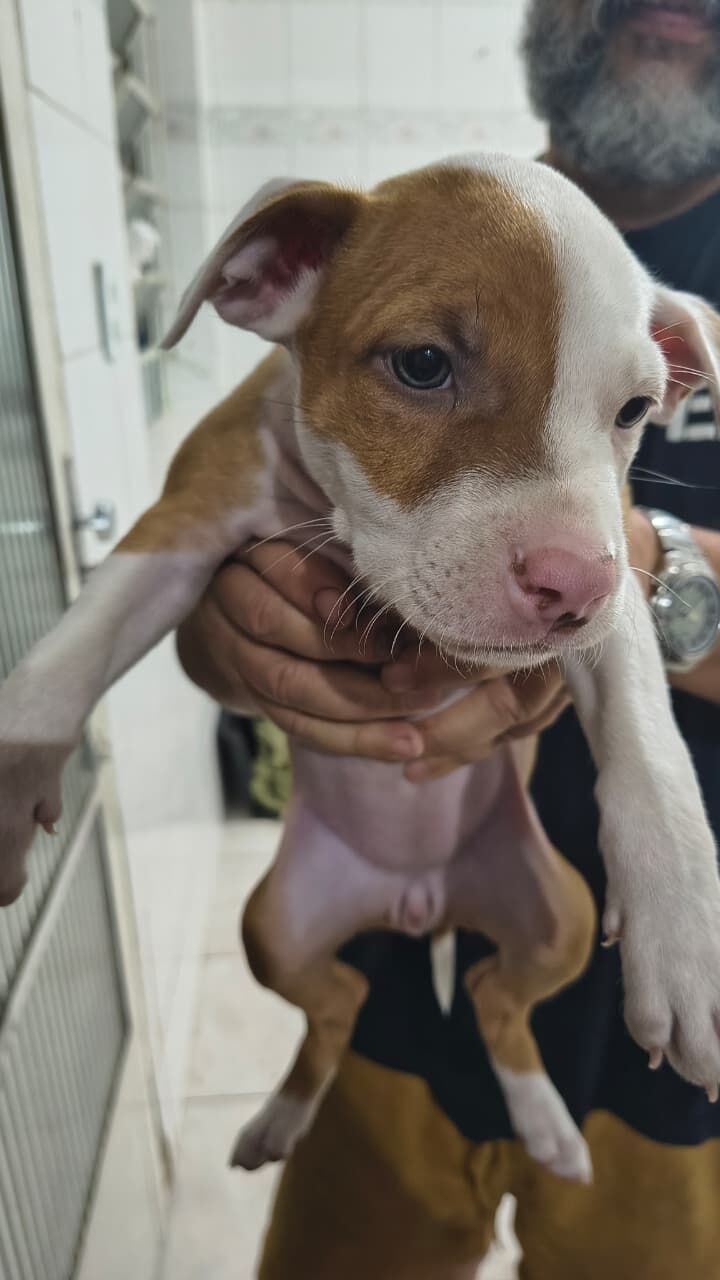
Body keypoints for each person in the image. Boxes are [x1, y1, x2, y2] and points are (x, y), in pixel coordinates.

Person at [177, 2, 720, 1276]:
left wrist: (637, 566)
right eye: (427, 365)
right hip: (393, 988)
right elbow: (209, 544)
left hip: (680, 1018)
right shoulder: (404, 241)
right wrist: (233, 630)